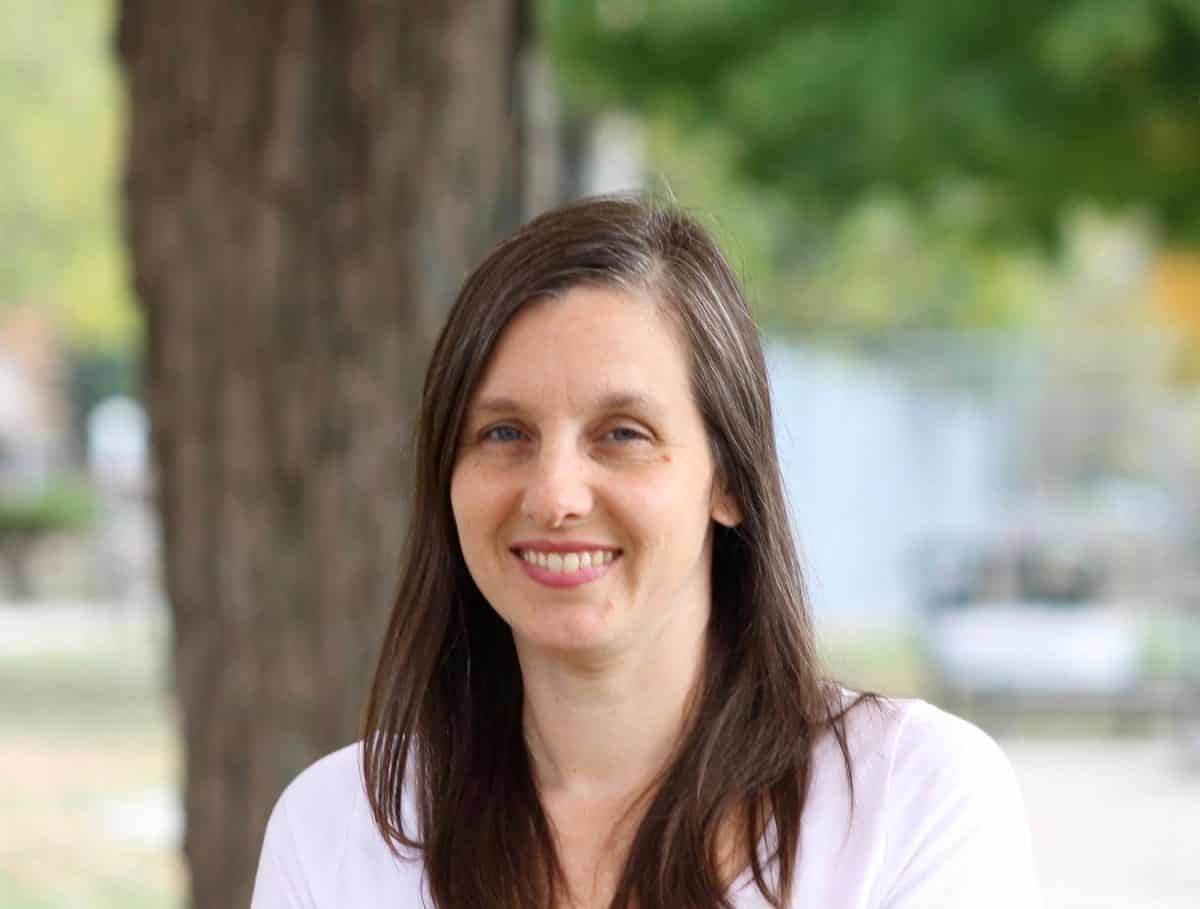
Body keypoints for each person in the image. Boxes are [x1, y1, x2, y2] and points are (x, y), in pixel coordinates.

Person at [251, 195, 1041, 908]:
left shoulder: (909, 798)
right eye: (504, 433)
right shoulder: (335, 833)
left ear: (728, 478)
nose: (554, 494)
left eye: (622, 434)